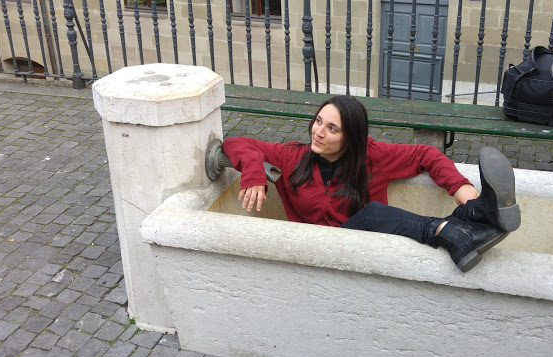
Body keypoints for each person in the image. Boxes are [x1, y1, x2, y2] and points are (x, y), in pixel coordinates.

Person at [222, 95, 520, 272]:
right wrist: (253, 172)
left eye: (332, 128)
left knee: (373, 213)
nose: (318, 132)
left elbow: (425, 154)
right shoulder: (293, 157)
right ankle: (466, 225)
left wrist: (460, 187)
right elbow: (236, 142)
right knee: (375, 211)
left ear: (350, 137)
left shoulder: (372, 156)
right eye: (318, 122)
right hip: (313, 254)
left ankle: (471, 217)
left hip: (363, 252)